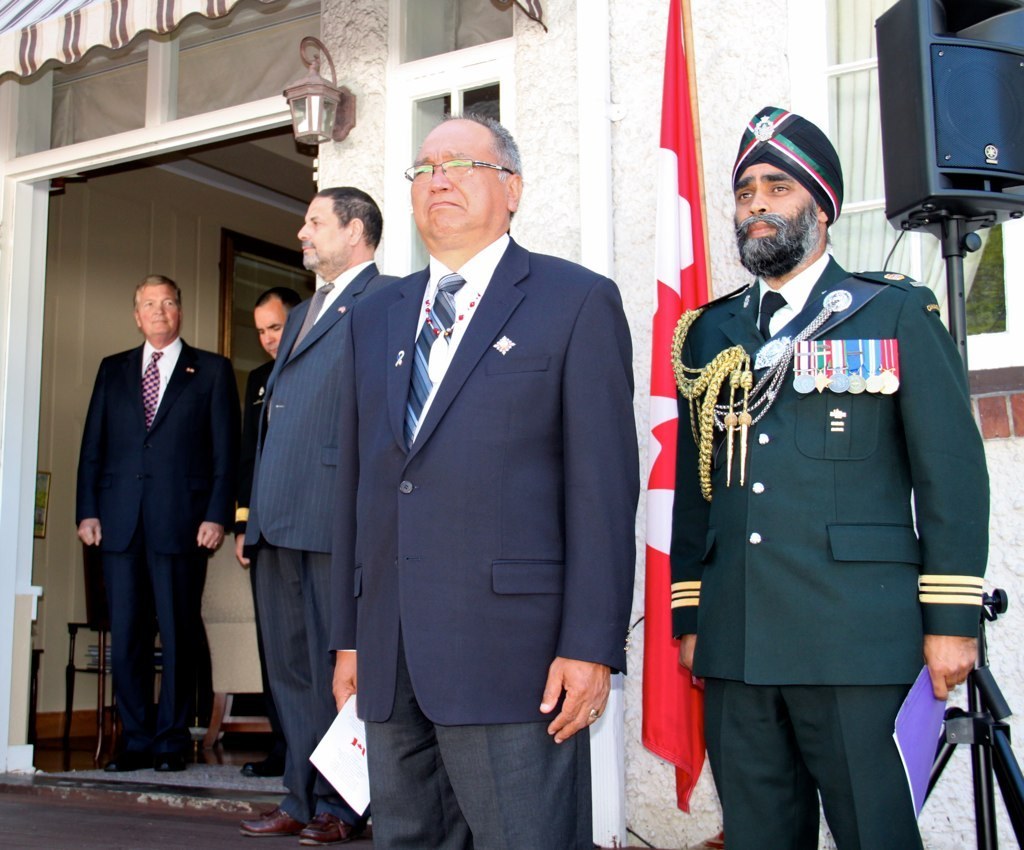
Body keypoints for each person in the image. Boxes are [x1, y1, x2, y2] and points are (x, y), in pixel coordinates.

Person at [669, 107, 990, 849]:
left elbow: (953, 478)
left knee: (874, 835)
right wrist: (692, 616)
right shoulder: (711, 332)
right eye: (745, 191)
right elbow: (698, 486)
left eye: (776, 188)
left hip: (856, 641)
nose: (755, 206)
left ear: (821, 205)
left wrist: (950, 622)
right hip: (740, 641)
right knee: (757, 836)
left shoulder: (895, 314)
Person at [329, 114, 640, 850]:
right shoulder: (373, 317)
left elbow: (602, 492)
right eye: (425, 168)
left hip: (514, 659)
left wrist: (591, 645)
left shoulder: (575, 302)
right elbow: (360, 490)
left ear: (513, 190)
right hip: (391, 654)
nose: (438, 178)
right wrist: (350, 636)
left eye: (462, 163)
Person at [239, 188, 397, 844]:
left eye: (315, 222)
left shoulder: (387, 302)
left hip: (335, 517)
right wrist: (252, 519)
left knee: (344, 670)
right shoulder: (303, 310)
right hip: (277, 521)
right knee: (290, 671)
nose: (302, 232)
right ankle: (300, 798)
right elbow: (276, 419)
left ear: (356, 231)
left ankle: (344, 805)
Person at [76, 274, 239, 773]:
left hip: (183, 524)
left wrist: (217, 513)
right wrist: (87, 509)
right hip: (119, 523)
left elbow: (225, 453)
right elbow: (93, 446)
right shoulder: (113, 369)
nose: (160, 311)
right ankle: (137, 738)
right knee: (126, 634)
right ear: (136, 313)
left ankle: (171, 740)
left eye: (168, 302)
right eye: (150, 303)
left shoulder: (210, 370)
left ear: (180, 311)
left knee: (177, 630)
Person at [233, 285, 301, 779]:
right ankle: (282, 746)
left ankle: (312, 754)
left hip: (306, 526)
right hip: (263, 531)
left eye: (274, 327)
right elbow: (246, 457)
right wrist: (242, 523)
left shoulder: (317, 365)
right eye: (260, 331)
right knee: (272, 647)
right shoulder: (257, 378)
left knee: (307, 649)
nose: (268, 339)